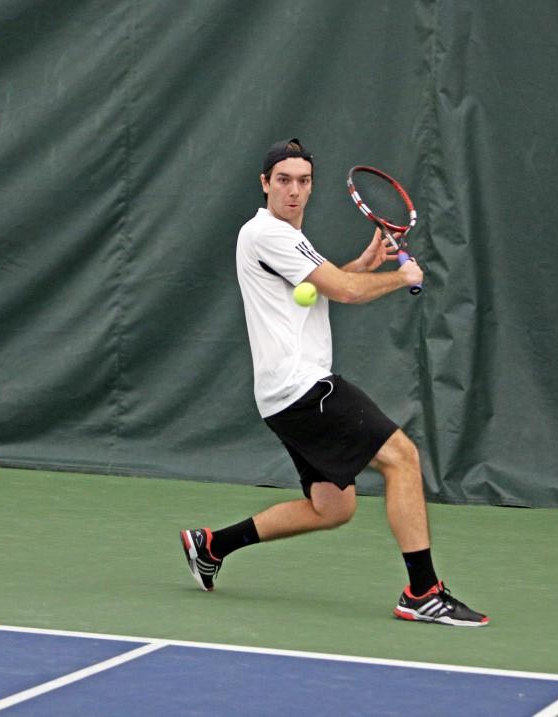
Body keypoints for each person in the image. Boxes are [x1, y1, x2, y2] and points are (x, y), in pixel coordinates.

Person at [180, 138, 488, 627]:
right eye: (283, 181)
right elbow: (341, 292)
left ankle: (212, 545)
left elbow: (309, 293)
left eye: (303, 181)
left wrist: (362, 267)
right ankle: (423, 592)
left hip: (283, 396)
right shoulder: (270, 234)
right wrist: (400, 277)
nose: (294, 191)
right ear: (265, 184)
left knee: (332, 506)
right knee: (403, 457)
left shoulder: (283, 239)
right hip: (304, 387)